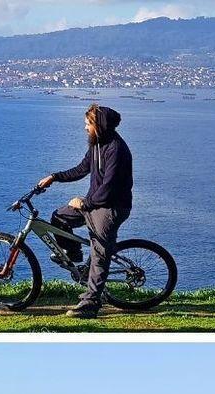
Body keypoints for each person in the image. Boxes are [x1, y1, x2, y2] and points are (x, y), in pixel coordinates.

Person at [36, 103, 133, 319]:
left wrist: (85, 203)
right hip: (95, 203)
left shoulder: (116, 149)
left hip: (111, 207)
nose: (85, 128)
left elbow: (109, 188)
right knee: (59, 217)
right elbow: (81, 169)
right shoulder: (97, 144)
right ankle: (74, 254)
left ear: (99, 126)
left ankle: (90, 304)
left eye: (87, 124)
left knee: (99, 255)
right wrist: (55, 177)